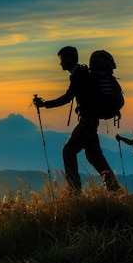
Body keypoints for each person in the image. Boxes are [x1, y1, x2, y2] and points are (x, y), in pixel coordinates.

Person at [34, 46, 120, 192]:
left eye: (62, 59)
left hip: (88, 120)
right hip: (90, 120)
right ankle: (114, 188)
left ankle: (75, 191)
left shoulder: (79, 74)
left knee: (68, 151)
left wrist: (45, 104)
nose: (60, 64)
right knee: (95, 156)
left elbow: (68, 97)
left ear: (70, 58)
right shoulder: (81, 73)